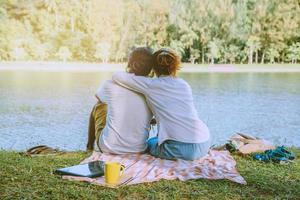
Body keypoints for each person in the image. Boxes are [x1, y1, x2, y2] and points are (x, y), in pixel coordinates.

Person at [112, 48, 210, 160]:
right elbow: (178, 110)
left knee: (150, 142)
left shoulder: (151, 85)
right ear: (175, 67)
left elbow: (116, 76)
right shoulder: (184, 85)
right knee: (160, 138)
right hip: (204, 142)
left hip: (181, 150)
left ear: (154, 68)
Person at [86, 47, 154, 154]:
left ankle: (89, 146)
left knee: (98, 106)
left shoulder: (111, 84)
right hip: (139, 149)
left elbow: (99, 97)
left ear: (131, 64)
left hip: (109, 147)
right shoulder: (153, 90)